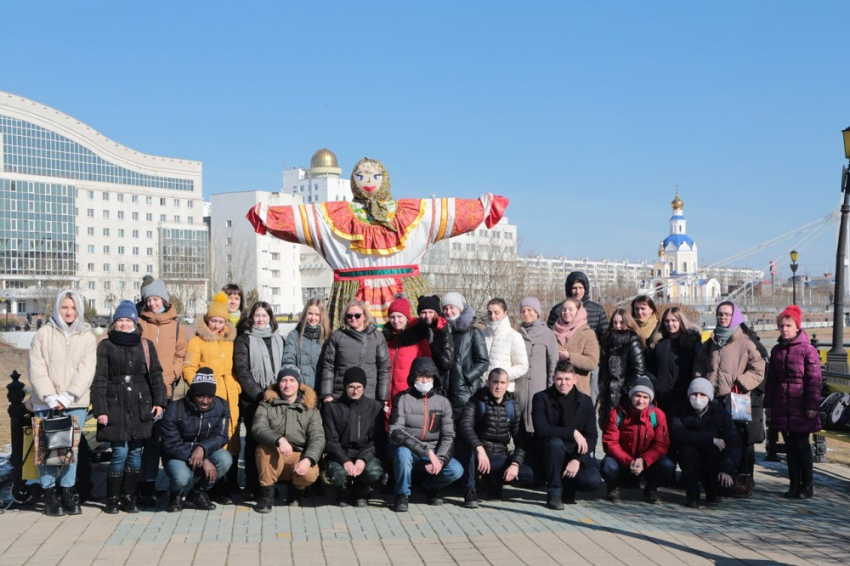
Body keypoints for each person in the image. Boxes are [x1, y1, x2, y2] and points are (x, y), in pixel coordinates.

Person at [246, 156, 508, 328]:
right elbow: (301, 219)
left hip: (398, 295)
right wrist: (268, 216)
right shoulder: (333, 215)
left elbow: (448, 212)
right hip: (357, 295)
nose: (368, 183)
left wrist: (481, 208)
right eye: (361, 177)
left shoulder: (410, 212)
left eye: (373, 177)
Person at [91, 300, 167, 514]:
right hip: (115, 404)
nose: (124, 324)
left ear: (134, 321)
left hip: (141, 404)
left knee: (135, 453)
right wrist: (100, 409)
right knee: (119, 453)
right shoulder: (106, 346)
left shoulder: (145, 344)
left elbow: (156, 375)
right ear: (114, 323)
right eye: (120, 320)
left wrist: (160, 401)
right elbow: (100, 379)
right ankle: (112, 498)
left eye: (127, 320)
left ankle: (129, 496)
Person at [28, 289, 97, 516]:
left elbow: (86, 369)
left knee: (70, 450)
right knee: (47, 449)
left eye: (73, 307)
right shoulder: (43, 334)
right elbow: (36, 367)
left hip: (74, 402)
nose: (69, 312)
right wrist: (49, 396)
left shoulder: (87, 336)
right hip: (45, 402)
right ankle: (49, 494)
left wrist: (69, 395)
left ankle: (68, 491)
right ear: (58, 308)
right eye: (65, 307)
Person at [694, 301, 765, 496]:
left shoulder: (745, 342)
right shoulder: (713, 340)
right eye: (720, 314)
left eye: (726, 314)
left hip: (735, 398)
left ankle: (741, 481)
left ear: (735, 317)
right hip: (712, 399)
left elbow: (758, 369)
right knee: (714, 439)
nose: (722, 317)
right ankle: (715, 479)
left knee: (738, 440)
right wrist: (701, 382)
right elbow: (700, 362)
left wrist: (742, 382)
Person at [183, 291, 241, 503]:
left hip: (230, 396)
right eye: (214, 321)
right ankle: (212, 486)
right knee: (214, 439)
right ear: (207, 321)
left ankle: (228, 483)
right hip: (211, 397)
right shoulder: (197, 342)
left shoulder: (229, 342)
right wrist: (201, 389)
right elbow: (188, 368)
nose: (217, 325)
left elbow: (235, 368)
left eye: (221, 321)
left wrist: (236, 385)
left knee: (231, 438)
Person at [136, 278, 188, 507]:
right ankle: (142, 485)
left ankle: (161, 482)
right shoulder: (138, 322)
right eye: (149, 300)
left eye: (156, 299)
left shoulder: (176, 327)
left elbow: (180, 355)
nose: (152, 303)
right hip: (139, 389)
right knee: (141, 439)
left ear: (164, 301)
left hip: (164, 390)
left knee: (158, 438)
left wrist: (170, 376)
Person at [388, 357, 464, 512]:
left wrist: (440, 460)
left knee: (456, 470)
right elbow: (395, 432)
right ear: (412, 377)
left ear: (434, 379)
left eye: (428, 377)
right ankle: (402, 494)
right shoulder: (402, 398)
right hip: (408, 449)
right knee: (402, 454)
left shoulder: (443, 401)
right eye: (420, 376)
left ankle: (429, 486)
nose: (424, 380)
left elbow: (448, 435)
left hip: (434, 451)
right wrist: (426, 452)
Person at [765, 305, 822, 499]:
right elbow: (771, 379)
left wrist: (812, 406)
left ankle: (807, 485)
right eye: (781, 326)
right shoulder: (777, 351)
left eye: (788, 325)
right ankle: (794, 484)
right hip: (782, 402)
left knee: (801, 445)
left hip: (801, 402)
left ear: (797, 327)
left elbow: (814, 380)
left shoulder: (808, 350)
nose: (785, 329)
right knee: (789, 446)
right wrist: (769, 406)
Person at [458, 368, 534, 508]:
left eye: (502, 382)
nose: (498, 386)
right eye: (495, 382)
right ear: (488, 383)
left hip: (500, 457)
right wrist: (479, 449)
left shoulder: (513, 407)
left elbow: (521, 440)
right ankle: (469, 490)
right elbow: (465, 426)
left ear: (507, 384)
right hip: (478, 456)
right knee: (466, 450)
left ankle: (494, 479)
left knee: (527, 474)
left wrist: (515, 464)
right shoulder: (476, 402)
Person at [532, 359, 602, 509]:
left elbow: (592, 436)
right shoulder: (541, 398)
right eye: (559, 379)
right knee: (555, 443)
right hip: (549, 453)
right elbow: (542, 429)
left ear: (575, 380)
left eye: (567, 379)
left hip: (574, 453)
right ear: (553, 379)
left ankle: (569, 486)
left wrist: (577, 459)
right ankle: (554, 493)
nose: (563, 383)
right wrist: (572, 433)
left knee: (593, 481)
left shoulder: (585, 401)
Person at [252, 366, 325, 512]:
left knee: (311, 473)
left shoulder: (310, 409)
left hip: (298, 456)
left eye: (292, 380)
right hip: (275, 454)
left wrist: (308, 459)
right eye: (283, 380)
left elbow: (318, 437)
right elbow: (258, 428)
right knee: (263, 450)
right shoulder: (266, 404)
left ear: (298, 383)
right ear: (278, 383)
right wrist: (279, 440)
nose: (287, 385)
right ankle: (267, 495)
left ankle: (295, 492)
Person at [160, 367, 232, 512]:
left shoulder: (222, 406)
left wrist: (203, 449)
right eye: (201, 397)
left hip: (205, 450)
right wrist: (202, 460)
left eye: (209, 397)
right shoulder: (174, 409)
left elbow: (222, 436)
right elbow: (170, 444)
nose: (205, 401)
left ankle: (197, 493)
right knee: (181, 477)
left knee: (225, 459)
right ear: (193, 394)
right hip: (177, 454)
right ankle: (175, 494)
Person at [233, 301, 285, 502]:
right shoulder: (244, 341)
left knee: (274, 441)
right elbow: (243, 371)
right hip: (253, 400)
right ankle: (253, 484)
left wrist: (279, 394)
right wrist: (260, 395)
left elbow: (285, 367)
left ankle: (270, 482)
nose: (261, 319)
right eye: (257, 316)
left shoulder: (279, 340)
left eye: (264, 316)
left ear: (270, 318)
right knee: (254, 442)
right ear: (251, 318)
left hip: (277, 399)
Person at [600, 377, 674, 504]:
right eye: (637, 396)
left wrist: (644, 461)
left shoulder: (658, 415)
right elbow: (610, 443)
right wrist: (630, 461)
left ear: (650, 399)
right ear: (631, 396)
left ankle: (651, 489)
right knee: (607, 466)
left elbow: (661, 444)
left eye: (645, 397)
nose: (641, 401)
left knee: (667, 465)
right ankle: (613, 487)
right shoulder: (616, 414)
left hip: (647, 463)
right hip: (623, 461)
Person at [669, 378, 741, 508]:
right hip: (691, 459)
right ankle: (692, 494)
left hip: (714, 460)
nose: (698, 398)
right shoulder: (680, 411)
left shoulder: (721, 414)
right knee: (687, 451)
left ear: (709, 396)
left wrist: (726, 468)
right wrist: (710, 439)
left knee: (727, 488)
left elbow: (733, 444)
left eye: (702, 394)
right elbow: (679, 435)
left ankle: (712, 490)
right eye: (694, 394)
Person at [322, 367, 386, 507]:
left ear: (364, 387)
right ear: (345, 387)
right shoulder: (332, 408)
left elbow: (377, 440)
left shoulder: (374, 407)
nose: (355, 391)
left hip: (365, 452)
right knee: (338, 474)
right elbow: (331, 440)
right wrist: (345, 460)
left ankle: (361, 490)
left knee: (373, 471)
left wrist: (363, 459)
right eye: (351, 387)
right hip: (341, 453)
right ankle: (344, 491)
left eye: (359, 387)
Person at [321, 299, 390, 403]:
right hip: (341, 395)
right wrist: (327, 394)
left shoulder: (377, 337)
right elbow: (328, 366)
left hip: (368, 396)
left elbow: (384, 369)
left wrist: (382, 397)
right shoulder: (337, 336)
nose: (353, 318)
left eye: (357, 315)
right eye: (349, 316)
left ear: (364, 316)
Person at [384, 295, 435, 414]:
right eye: (392, 317)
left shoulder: (419, 339)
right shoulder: (387, 339)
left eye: (399, 316)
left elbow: (426, 368)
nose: (396, 321)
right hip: (388, 394)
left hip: (409, 394)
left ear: (407, 318)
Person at [597, 308, 648, 429]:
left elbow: (639, 370)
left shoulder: (632, 341)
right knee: (607, 428)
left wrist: (623, 390)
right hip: (607, 392)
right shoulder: (607, 340)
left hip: (624, 393)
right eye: (615, 323)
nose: (618, 326)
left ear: (628, 323)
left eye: (621, 322)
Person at [441, 292, 489, 418]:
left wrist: (466, 378)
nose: (448, 311)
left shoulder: (473, 332)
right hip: (444, 392)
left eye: (452, 307)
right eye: (445, 308)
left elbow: (483, 361)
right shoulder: (441, 332)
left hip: (466, 393)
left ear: (460, 309)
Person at [515, 297, 559, 433]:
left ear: (537, 312)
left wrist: (551, 389)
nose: (526, 313)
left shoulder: (548, 334)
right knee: (519, 427)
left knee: (538, 424)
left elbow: (553, 363)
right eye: (523, 311)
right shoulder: (516, 334)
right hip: (519, 389)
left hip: (539, 388)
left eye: (530, 310)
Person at [649, 306, 702, 413]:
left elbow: (698, 365)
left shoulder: (692, 342)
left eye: (674, 320)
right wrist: (656, 384)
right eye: (667, 321)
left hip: (685, 395)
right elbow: (649, 367)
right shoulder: (658, 343)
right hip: (661, 397)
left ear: (681, 321)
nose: (670, 324)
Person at [551, 298, 600, 397]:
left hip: (578, 390)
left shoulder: (587, 333)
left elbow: (592, 362)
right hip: (555, 390)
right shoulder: (553, 332)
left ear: (578, 311)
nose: (566, 312)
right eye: (564, 309)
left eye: (570, 309)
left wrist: (569, 356)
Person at [282, 298, 330, 391]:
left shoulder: (328, 337)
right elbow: (288, 361)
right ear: (305, 314)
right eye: (310, 313)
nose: (313, 318)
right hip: (301, 391)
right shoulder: (294, 336)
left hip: (322, 391)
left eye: (317, 315)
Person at [483, 298, 529, 393]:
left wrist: (501, 376)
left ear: (505, 313)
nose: (492, 316)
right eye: (489, 313)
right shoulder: (482, 334)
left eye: (496, 312)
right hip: (483, 388)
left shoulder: (514, 336)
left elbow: (523, 366)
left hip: (504, 390)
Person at [415, 294, 454, 375]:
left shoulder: (444, 332)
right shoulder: (414, 330)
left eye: (431, 312)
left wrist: (432, 345)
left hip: (437, 379)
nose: (427, 316)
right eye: (423, 312)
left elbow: (447, 364)